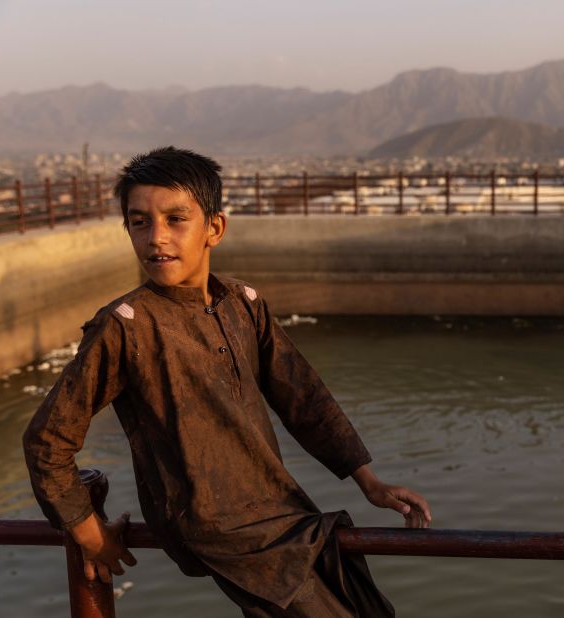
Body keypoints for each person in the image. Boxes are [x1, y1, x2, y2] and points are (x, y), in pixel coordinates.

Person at [22, 146, 431, 618]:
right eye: (139, 222)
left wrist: (369, 482)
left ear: (214, 228)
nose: (157, 237)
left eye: (176, 219)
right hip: (219, 530)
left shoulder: (242, 302)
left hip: (279, 508)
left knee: (366, 604)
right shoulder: (125, 326)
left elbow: (302, 396)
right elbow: (46, 441)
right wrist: (91, 536)